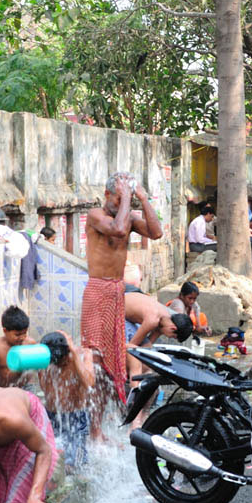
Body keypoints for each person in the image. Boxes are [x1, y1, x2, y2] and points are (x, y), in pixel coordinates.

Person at [81, 171, 163, 405]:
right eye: (118, 198)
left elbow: (156, 233)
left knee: (115, 358)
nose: (123, 202)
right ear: (107, 194)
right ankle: (95, 429)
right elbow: (117, 229)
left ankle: (113, 420)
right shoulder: (96, 215)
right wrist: (127, 197)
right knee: (95, 358)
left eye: (125, 198)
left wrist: (143, 199)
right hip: (97, 290)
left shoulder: (129, 217)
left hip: (118, 291)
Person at [36, 331, 95, 470]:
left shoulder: (83, 355)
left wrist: (74, 355)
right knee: (51, 459)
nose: (63, 364)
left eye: (64, 360)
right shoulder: (49, 360)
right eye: (58, 363)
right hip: (52, 415)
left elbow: (90, 383)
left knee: (75, 463)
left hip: (76, 416)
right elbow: (44, 388)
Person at [0, 305, 34, 388]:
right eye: (17, 334)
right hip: (4, 390)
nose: (22, 337)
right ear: (5, 331)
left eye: (25, 333)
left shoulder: (30, 344)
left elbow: (39, 370)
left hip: (26, 388)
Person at [124, 290, 193, 350]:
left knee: (147, 347)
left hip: (128, 315)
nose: (168, 337)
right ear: (173, 328)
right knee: (134, 357)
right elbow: (131, 347)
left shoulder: (164, 319)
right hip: (118, 309)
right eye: (172, 336)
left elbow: (147, 345)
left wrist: (157, 333)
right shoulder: (153, 320)